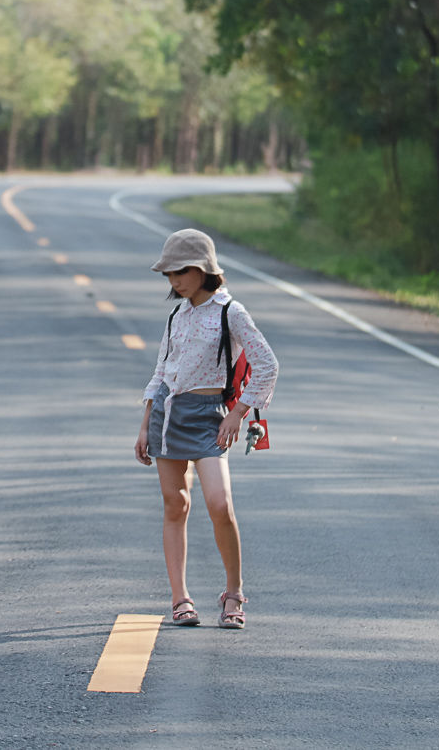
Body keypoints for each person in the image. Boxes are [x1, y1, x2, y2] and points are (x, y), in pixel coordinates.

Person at [135, 228, 278, 630]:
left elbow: (267, 365)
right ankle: (180, 599)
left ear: (203, 270)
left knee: (220, 504)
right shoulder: (177, 314)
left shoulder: (230, 311)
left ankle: (234, 593)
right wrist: (145, 424)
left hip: (208, 417)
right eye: (168, 274)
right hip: (167, 417)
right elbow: (162, 372)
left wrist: (237, 414)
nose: (173, 281)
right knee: (175, 505)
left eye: (180, 271)